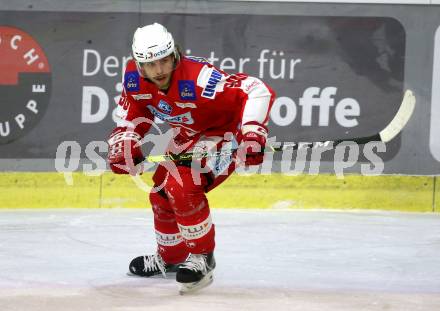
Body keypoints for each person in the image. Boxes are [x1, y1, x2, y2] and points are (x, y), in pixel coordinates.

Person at [107, 23, 275, 294]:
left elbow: (255, 89)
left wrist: (253, 132)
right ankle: (172, 258)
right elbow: (132, 115)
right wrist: (125, 143)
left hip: (222, 135)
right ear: (139, 65)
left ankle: (202, 258)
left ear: (174, 55)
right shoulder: (134, 79)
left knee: (182, 187)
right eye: (151, 64)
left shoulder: (199, 78)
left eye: (164, 60)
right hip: (189, 134)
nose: (159, 70)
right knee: (161, 193)